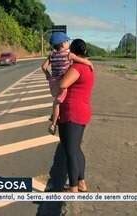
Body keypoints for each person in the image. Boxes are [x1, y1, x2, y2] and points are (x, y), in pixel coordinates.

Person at [58, 39, 94, 192]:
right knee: (76, 149)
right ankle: (81, 182)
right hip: (82, 110)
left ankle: (73, 187)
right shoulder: (88, 66)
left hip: (72, 111)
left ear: (73, 51)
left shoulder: (78, 68)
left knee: (70, 151)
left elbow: (63, 84)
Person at [41, 32, 93, 135]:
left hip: (53, 82)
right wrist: (89, 63)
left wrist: (48, 75)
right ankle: (54, 123)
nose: (68, 43)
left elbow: (43, 67)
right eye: (67, 41)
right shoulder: (68, 54)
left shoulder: (51, 55)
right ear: (62, 44)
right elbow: (80, 60)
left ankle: (53, 115)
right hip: (62, 82)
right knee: (59, 102)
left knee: (56, 102)